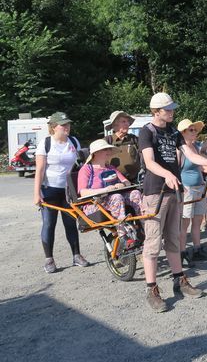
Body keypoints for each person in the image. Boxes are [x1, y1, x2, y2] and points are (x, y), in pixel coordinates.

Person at [138, 93, 207, 312]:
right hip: (155, 192)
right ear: (156, 111)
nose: (172, 112)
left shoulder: (174, 132)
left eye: (172, 108)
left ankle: (179, 281)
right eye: (167, 109)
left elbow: (191, 156)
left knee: (174, 238)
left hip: (174, 191)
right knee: (153, 242)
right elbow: (148, 162)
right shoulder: (146, 132)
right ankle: (151, 289)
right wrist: (166, 174)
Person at [33, 112, 89, 273]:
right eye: (63, 125)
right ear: (53, 127)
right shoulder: (46, 143)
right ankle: (49, 260)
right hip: (50, 190)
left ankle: (76, 255)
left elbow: (81, 166)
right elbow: (40, 170)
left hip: (69, 191)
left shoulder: (74, 142)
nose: (67, 127)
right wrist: (37, 193)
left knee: (71, 223)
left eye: (68, 124)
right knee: (49, 224)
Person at [77, 139, 142, 248]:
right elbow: (83, 192)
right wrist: (105, 190)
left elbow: (126, 182)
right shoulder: (86, 169)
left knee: (135, 193)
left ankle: (142, 226)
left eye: (108, 149)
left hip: (113, 200)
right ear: (96, 153)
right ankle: (123, 236)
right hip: (94, 204)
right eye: (105, 149)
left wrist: (122, 184)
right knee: (116, 197)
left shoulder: (110, 167)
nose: (108, 151)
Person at [177, 119, 207, 267]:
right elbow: (175, 170)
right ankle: (182, 252)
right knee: (185, 223)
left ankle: (197, 249)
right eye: (191, 130)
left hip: (199, 187)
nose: (195, 132)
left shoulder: (196, 147)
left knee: (198, 221)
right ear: (183, 133)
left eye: (195, 130)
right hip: (186, 189)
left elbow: (201, 167)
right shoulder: (179, 150)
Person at [104, 110, 140, 183]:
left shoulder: (134, 139)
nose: (127, 124)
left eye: (128, 122)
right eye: (123, 122)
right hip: (114, 182)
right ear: (114, 125)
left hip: (136, 180)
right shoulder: (107, 141)